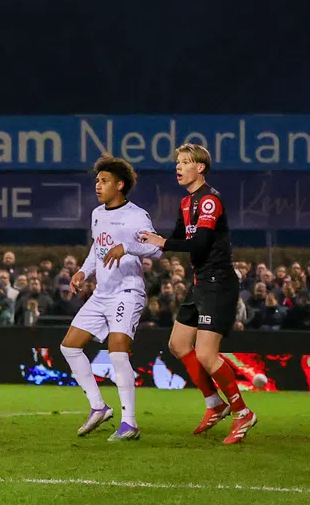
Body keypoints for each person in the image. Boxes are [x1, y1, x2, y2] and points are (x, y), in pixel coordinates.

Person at [137, 144, 256, 444]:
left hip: (218, 284)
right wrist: (144, 240)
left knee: (205, 353)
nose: (178, 167)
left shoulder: (209, 202)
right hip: (200, 283)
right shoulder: (186, 203)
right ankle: (214, 403)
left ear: (200, 168)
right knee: (178, 344)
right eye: (177, 162)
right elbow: (177, 239)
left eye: (185, 162)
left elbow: (199, 244)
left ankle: (242, 413)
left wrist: (161, 242)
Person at [62, 156, 161, 441]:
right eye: (97, 181)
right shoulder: (97, 214)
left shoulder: (136, 216)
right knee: (69, 346)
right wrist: (82, 272)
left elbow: (156, 250)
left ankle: (129, 423)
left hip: (127, 292)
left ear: (119, 185)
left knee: (117, 350)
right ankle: (99, 407)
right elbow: (97, 249)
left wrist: (127, 247)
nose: (98, 185)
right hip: (101, 293)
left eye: (104, 181)